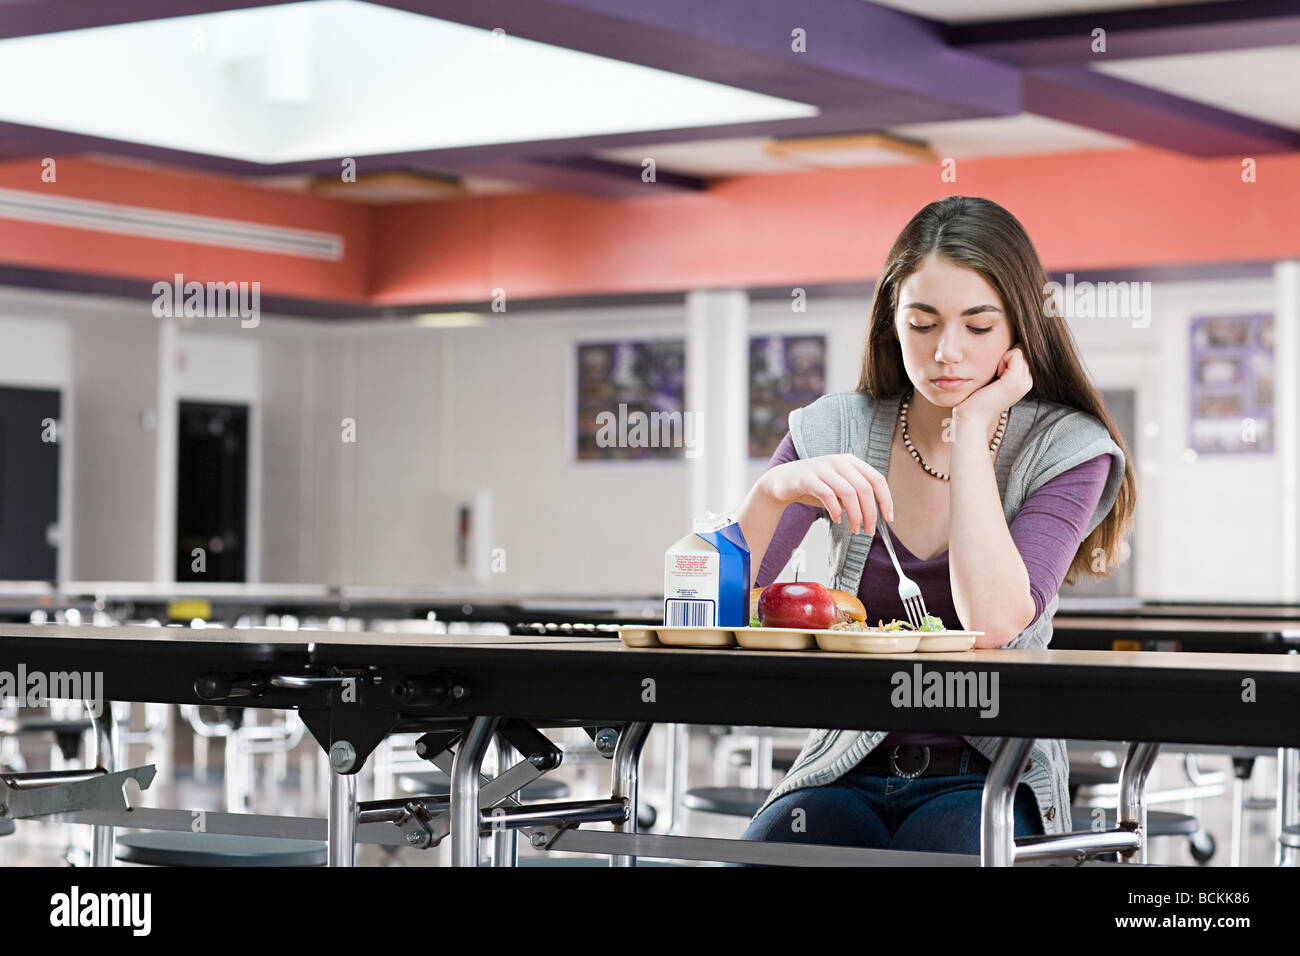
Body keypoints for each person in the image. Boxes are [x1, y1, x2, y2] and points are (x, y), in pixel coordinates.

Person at [729, 195, 1137, 860]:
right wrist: (770, 491)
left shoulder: (1068, 448)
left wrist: (972, 428)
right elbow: (706, 600)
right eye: (923, 323)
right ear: (893, 319)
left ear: (1019, 330)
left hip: (989, 779)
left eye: (978, 327)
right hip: (844, 767)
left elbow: (995, 622)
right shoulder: (835, 427)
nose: (947, 352)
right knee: (768, 852)